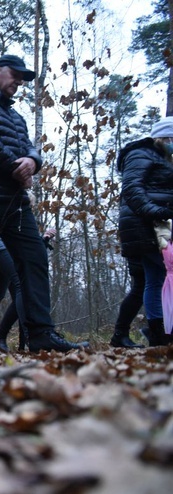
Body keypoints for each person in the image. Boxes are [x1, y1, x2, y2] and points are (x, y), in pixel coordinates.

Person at [0, 54, 88, 353]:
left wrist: (32, 162)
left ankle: (41, 333)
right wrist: (14, 166)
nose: (19, 83)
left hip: (15, 201)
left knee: (34, 258)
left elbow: (30, 148)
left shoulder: (15, 116)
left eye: (24, 79)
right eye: (16, 75)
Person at [117, 116, 173, 347]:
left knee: (148, 280)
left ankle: (151, 331)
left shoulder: (161, 157)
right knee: (156, 278)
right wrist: (155, 211)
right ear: (162, 137)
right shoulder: (140, 154)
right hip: (146, 225)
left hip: (157, 225)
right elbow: (132, 188)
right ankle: (159, 333)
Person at [109, 257, 145, 348]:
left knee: (143, 288)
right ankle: (120, 333)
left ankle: (120, 333)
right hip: (145, 247)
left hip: (139, 246)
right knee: (142, 287)